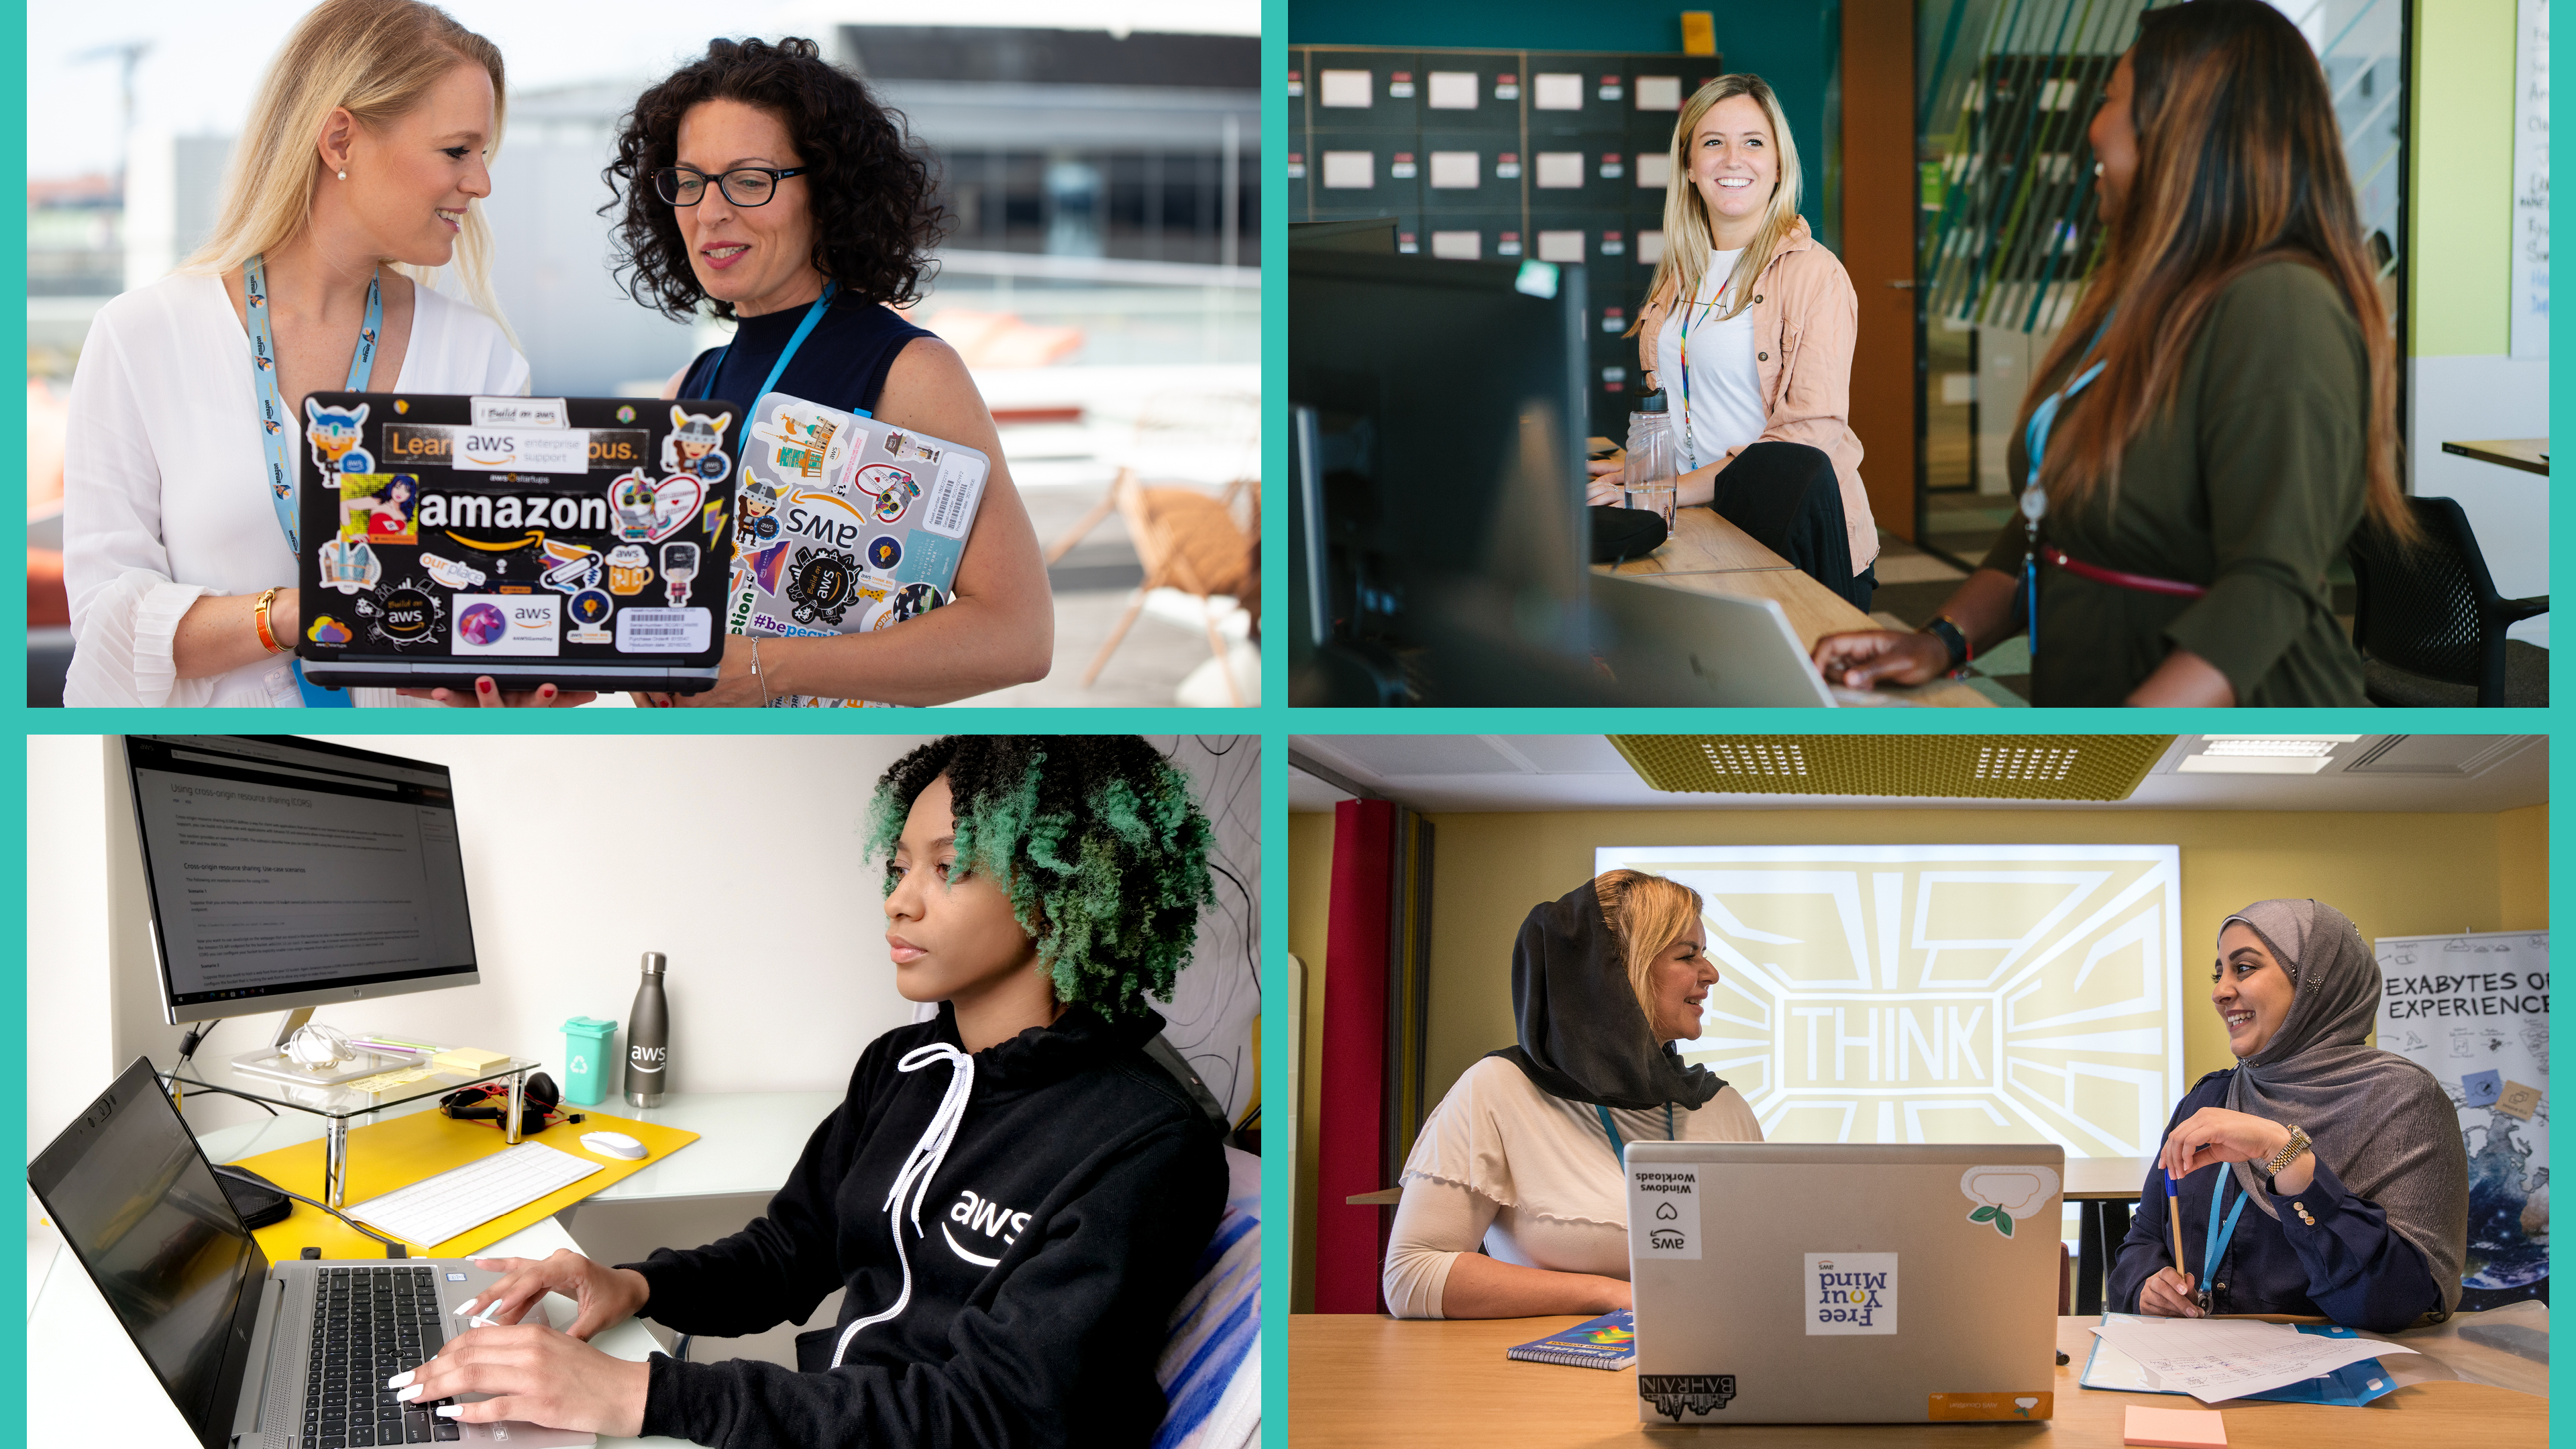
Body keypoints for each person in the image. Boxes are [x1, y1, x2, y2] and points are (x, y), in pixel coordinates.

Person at [394, 737, 1228, 1444]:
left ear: (1061, 887)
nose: (899, 901)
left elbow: (998, 1414)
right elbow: (788, 1254)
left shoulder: (1148, 1143)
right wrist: (636, 1284)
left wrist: (642, 1395)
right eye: (900, 867)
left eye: (950, 867)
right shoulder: (900, 1067)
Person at [1812, 0, 2417, 706]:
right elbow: (2053, 513)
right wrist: (1940, 640)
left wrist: (2118, 754)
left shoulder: (2280, 304)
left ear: (2188, 129)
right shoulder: (2141, 294)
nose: (2093, 128)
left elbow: (2268, 585)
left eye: (2111, 101)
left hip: (2230, 748)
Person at [62, 0, 588, 708]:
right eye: (457, 151)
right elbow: (107, 628)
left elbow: (500, 608)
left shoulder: (481, 358)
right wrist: (301, 611)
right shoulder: (142, 337)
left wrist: (512, 683)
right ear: (340, 140)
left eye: (484, 155)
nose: (481, 184)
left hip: (416, 778)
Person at [605, 38, 1053, 707]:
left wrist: (768, 668)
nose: (711, 211)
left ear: (828, 191)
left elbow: (1020, 636)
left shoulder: (911, 372)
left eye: (750, 180)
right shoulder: (688, 390)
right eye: (690, 181)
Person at [1383, 870, 1761, 1319]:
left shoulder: (1723, 1108)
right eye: (1688, 955)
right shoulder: (1499, 1090)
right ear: (1616, 973)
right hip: (1542, 1381)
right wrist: (1608, 1295)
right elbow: (1411, 1276)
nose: (1711, 973)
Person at [1589, 74, 1878, 610]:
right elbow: (1689, 403)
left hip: (1787, 533)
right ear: (1690, 168)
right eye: (1713, 142)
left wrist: (1673, 487)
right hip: (1700, 522)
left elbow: (1806, 441)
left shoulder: (1815, 275)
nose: (1732, 159)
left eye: (1753, 142)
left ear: (1778, 166)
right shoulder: (1683, 269)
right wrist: (1646, 468)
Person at [2113, 900, 2466, 1332]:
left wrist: (2285, 1154)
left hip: (2334, 1387)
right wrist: (2147, 1286)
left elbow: (2395, 1304)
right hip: (2196, 1376)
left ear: (2316, 983)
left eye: (2243, 968)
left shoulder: (2403, 1101)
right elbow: (2143, 1241)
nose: (2220, 991)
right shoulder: (2210, 1098)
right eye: (2219, 972)